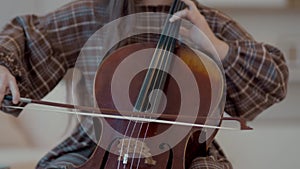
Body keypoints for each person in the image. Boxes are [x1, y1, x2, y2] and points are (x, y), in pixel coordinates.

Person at [0, 0, 288, 168]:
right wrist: (3, 64)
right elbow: (29, 35)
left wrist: (212, 43)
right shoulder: (95, 14)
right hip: (96, 146)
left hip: (185, 153)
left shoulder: (204, 20)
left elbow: (273, 77)